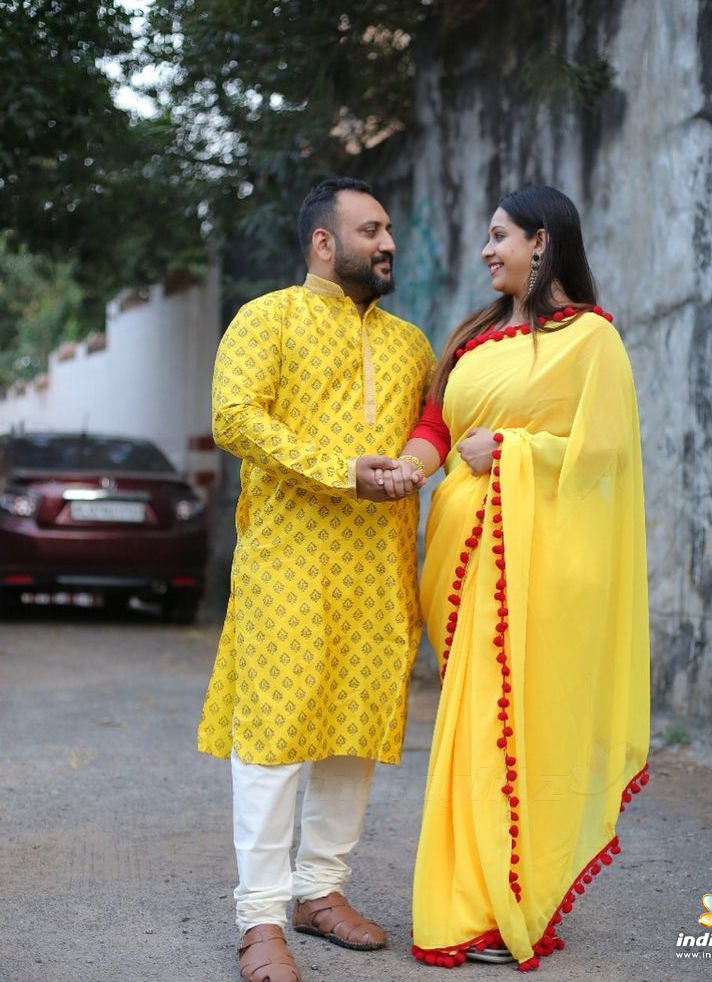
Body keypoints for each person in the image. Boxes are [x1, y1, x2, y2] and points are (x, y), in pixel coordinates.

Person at [385, 185, 650, 971]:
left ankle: (496, 906)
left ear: (543, 241)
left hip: (537, 564)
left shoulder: (592, 340)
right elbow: (438, 424)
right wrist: (407, 469)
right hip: (461, 556)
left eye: (500, 237)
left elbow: (602, 454)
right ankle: (482, 897)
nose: (487, 251)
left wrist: (512, 450)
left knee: (516, 734)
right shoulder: (474, 336)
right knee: (471, 733)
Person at [197, 177, 434, 982]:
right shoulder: (269, 317)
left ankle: (320, 891)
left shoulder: (410, 345)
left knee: (354, 729)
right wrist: (340, 470)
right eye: (372, 229)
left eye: (390, 228)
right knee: (273, 737)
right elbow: (235, 418)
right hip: (289, 562)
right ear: (325, 243)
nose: (389, 241)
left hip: (377, 567)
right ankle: (260, 917)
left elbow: (431, 432)